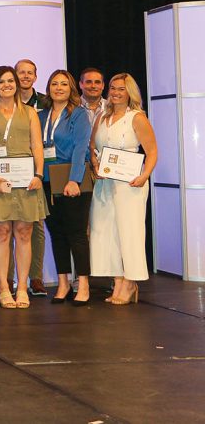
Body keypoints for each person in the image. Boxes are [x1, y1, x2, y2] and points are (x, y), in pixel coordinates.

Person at [0, 65, 46, 310]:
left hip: (27, 181)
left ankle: (23, 287)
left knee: (24, 234)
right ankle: (4, 288)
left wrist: (39, 174)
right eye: (2, 81)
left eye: (11, 81)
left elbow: (37, 145)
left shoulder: (30, 113)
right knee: (1, 234)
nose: (7, 85)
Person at [89, 73, 158, 305]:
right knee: (106, 233)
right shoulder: (101, 116)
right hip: (105, 184)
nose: (116, 92)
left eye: (121, 89)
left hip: (130, 185)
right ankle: (117, 281)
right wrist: (96, 165)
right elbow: (92, 147)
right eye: (113, 88)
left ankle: (131, 282)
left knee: (130, 233)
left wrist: (144, 176)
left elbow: (152, 151)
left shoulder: (136, 118)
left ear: (130, 92)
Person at [39, 70, 93, 305]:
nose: (58, 88)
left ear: (71, 88)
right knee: (57, 234)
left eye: (63, 84)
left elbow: (81, 148)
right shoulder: (41, 116)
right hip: (48, 180)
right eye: (54, 84)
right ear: (48, 88)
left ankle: (83, 284)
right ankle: (63, 283)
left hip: (73, 179)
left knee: (77, 234)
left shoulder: (79, 114)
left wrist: (74, 180)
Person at [12, 58, 48, 296]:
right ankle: (8, 278)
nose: (25, 77)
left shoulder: (46, 101)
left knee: (36, 226)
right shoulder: (5, 100)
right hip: (11, 171)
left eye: (29, 73)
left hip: (38, 170)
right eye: (20, 73)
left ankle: (35, 278)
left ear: (35, 77)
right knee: (6, 225)